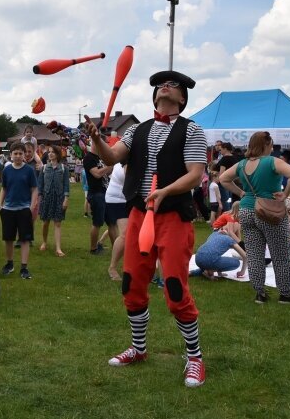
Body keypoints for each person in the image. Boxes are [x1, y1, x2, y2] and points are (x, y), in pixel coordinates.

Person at [84, 70, 208, 388]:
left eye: (172, 85)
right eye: (159, 85)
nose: (164, 87)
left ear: (181, 97)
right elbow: (111, 156)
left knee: (175, 290)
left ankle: (194, 358)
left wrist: (166, 191)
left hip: (173, 217)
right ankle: (139, 350)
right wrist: (98, 138)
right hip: (140, 214)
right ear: (154, 96)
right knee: (131, 285)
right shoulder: (138, 129)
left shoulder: (192, 130)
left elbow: (196, 174)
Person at [219, 131, 290, 304]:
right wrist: (285, 194)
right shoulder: (272, 161)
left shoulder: (242, 164)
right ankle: (285, 294)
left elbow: (223, 179)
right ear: (265, 145)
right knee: (281, 254)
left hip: (246, 210)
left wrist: (242, 193)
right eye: (271, 144)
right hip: (269, 210)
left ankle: (260, 294)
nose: (272, 147)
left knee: (255, 254)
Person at [0, 142, 38, 280]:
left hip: (23, 209)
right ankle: (9, 264)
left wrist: (32, 206)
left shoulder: (29, 170)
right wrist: (0, 204)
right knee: (8, 238)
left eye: (20, 153)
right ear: (11, 155)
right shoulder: (6, 170)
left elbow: (34, 189)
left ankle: (24, 267)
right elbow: (4, 188)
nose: (18, 156)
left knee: (25, 239)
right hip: (8, 209)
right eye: (15, 153)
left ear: (24, 155)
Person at [37, 145, 69, 258]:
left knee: (58, 223)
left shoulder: (63, 168)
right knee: (45, 222)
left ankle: (58, 248)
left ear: (57, 154)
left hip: (59, 198)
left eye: (53, 152)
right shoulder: (44, 168)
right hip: (46, 198)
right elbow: (39, 185)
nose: (50, 154)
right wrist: (39, 198)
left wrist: (66, 198)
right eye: (49, 152)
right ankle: (44, 242)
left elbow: (66, 185)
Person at [83, 140, 113, 255]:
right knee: (97, 223)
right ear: (94, 144)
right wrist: (109, 166)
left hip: (105, 193)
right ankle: (93, 249)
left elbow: (108, 172)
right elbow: (97, 174)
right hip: (96, 194)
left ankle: (112, 246)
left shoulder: (100, 158)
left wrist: (111, 165)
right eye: (100, 143)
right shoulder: (89, 158)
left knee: (111, 223)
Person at [105, 162, 129, 281]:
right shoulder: (126, 157)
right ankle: (112, 267)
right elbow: (129, 177)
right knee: (125, 234)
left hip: (128, 199)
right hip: (117, 199)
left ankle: (130, 267)